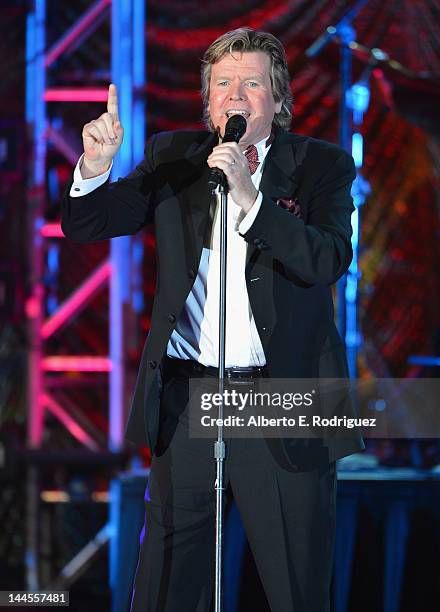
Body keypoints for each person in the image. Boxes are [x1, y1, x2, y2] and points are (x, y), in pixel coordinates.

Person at [62, 27, 364, 612]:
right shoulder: (174, 157)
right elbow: (91, 224)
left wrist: (250, 196)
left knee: (296, 589)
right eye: (222, 84)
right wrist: (94, 166)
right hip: (189, 394)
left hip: (282, 400)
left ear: (278, 99)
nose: (234, 95)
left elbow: (326, 260)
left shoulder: (321, 165)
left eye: (251, 83)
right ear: (207, 101)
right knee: (165, 586)